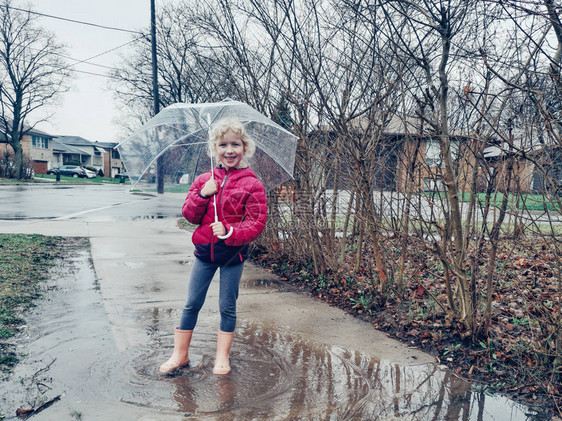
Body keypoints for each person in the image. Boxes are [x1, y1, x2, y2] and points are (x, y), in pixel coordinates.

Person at [159, 117, 268, 375]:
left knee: (227, 307)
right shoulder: (204, 180)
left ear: (245, 148)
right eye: (223, 145)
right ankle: (180, 354)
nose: (229, 150)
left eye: (236, 144)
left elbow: (256, 222)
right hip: (204, 255)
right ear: (214, 148)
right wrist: (203, 194)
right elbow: (189, 215)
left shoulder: (252, 184)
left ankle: (222, 357)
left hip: (233, 256)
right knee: (191, 304)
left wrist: (230, 231)